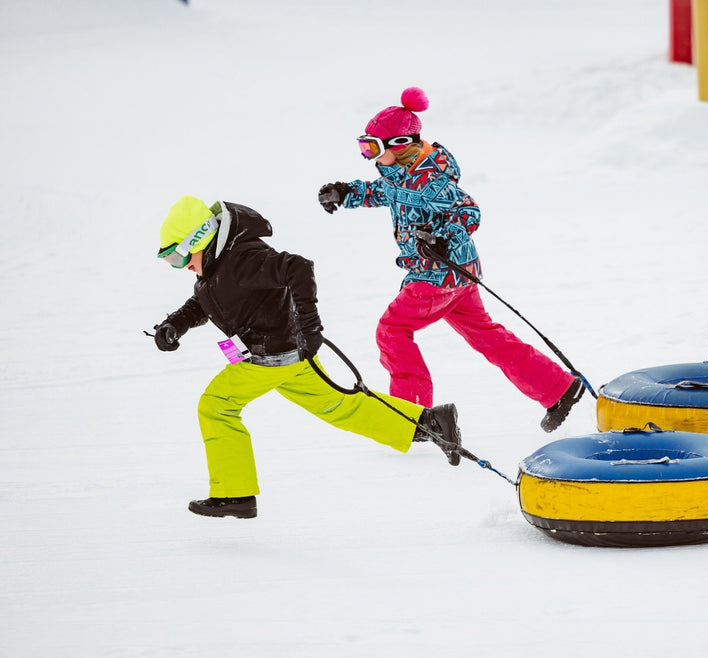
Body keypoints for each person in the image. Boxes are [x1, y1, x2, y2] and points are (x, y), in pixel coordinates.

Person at [152, 195, 464, 519]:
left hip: (269, 357)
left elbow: (298, 268)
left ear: (200, 239)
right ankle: (430, 423)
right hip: (288, 358)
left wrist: (310, 325)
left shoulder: (243, 258)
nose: (182, 265)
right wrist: (175, 324)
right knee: (341, 407)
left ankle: (235, 493)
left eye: (178, 257)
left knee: (216, 406)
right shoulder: (217, 269)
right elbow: (204, 302)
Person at [317, 87, 584, 433]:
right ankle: (557, 387)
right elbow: (380, 192)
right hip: (460, 275)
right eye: (363, 147)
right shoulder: (400, 176)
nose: (368, 156)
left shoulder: (428, 181)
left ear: (399, 146)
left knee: (393, 330)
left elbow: (468, 211)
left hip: (438, 274)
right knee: (486, 336)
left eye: (372, 148)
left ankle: (411, 417)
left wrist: (444, 239)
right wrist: (346, 192)